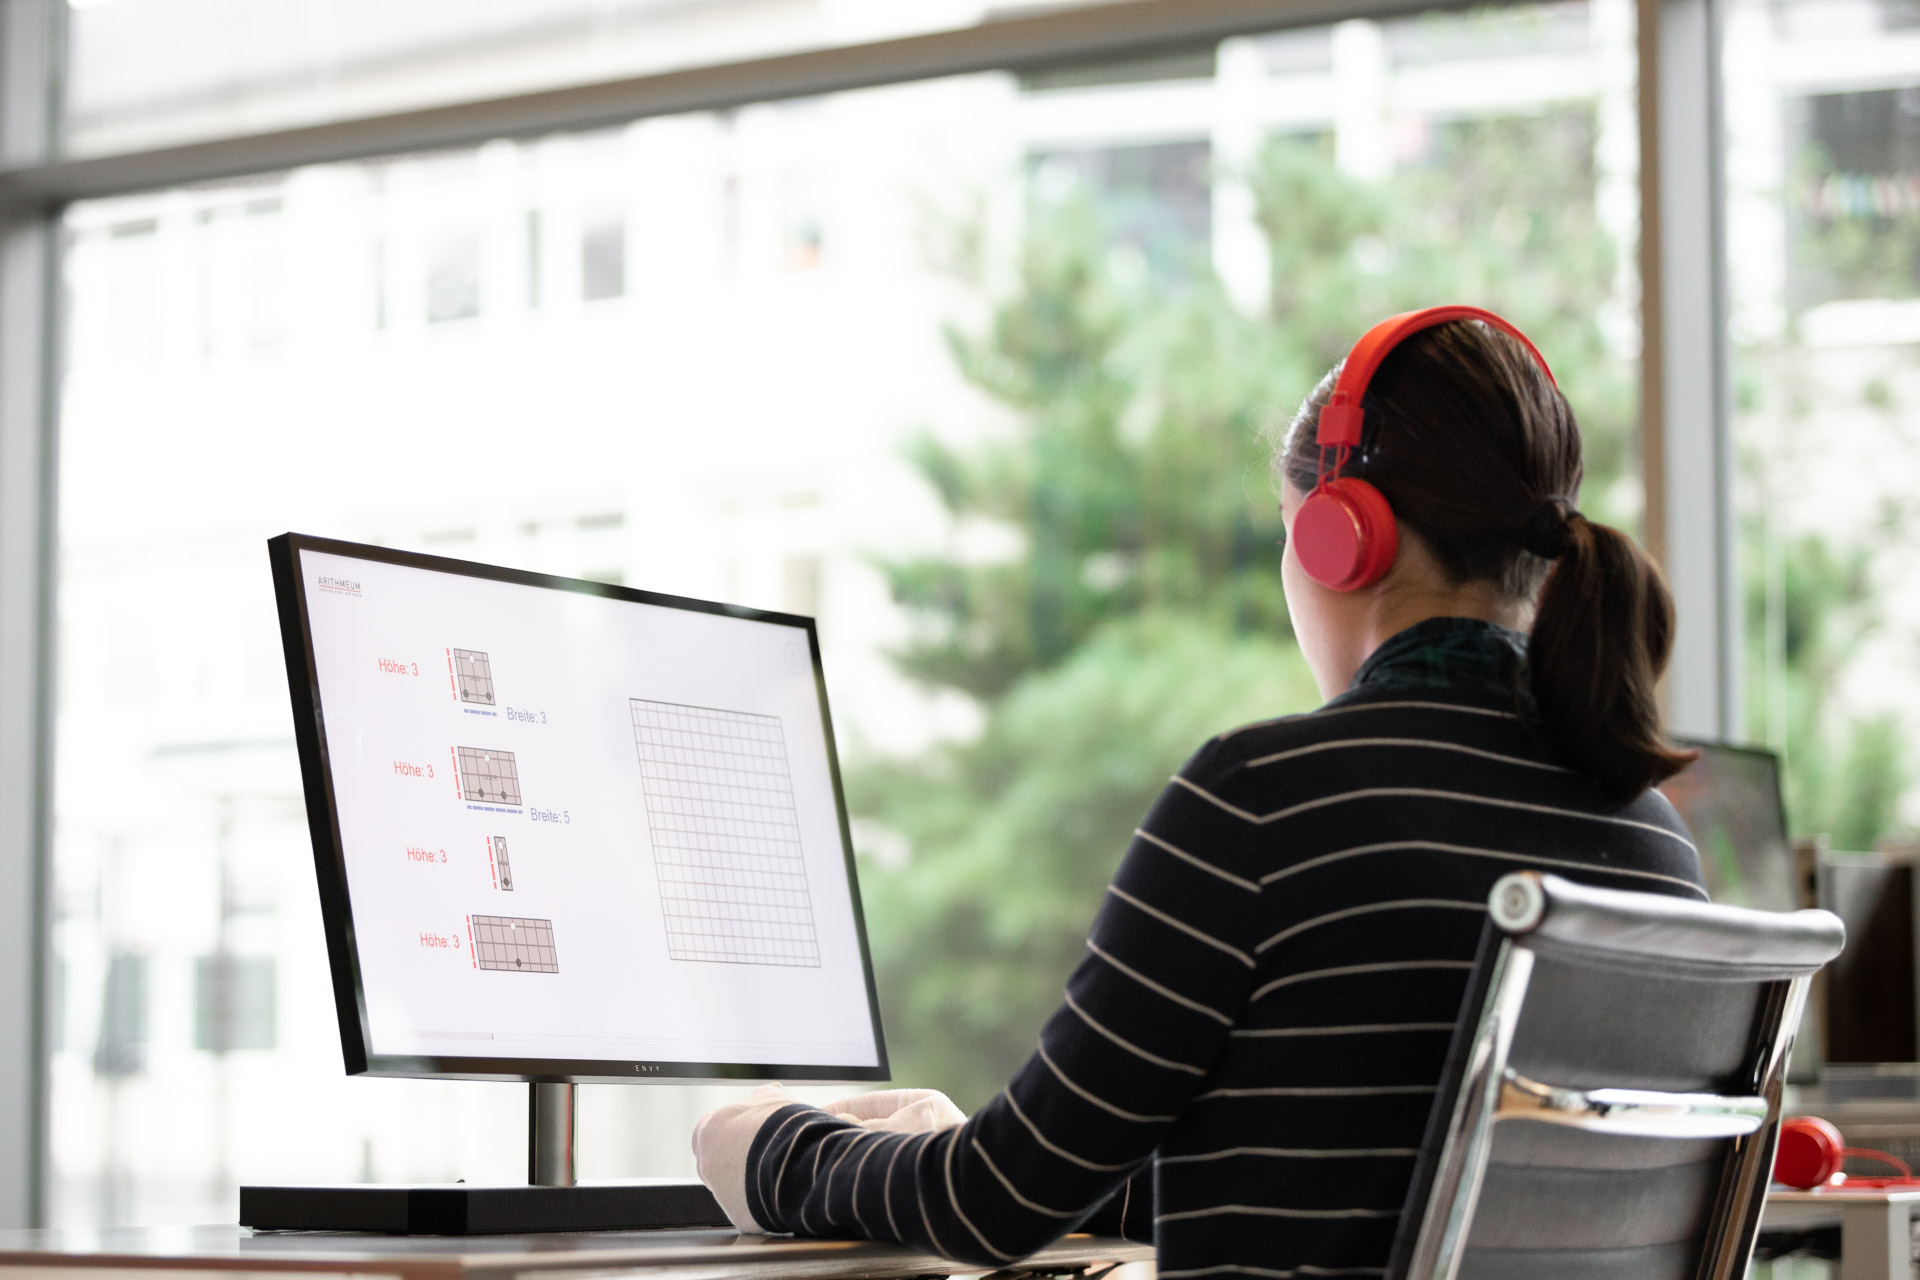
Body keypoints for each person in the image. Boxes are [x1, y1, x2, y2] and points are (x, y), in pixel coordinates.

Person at [691, 308, 1706, 1279]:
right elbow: (1372, 1188)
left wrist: (770, 1144)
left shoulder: (1266, 801)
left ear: (1338, 536)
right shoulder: (1654, 844)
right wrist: (1035, 1156)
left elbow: (985, 1203)